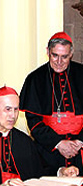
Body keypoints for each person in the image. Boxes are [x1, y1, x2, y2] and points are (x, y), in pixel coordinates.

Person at [20, 32, 83, 176]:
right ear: (48, 52)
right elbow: (34, 122)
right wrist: (59, 143)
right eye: (55, 55)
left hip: (81, 149)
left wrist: (79, 142)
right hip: (49, 152)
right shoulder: (35, 79)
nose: (59, 61)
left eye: (64, 57)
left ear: (71, 54)